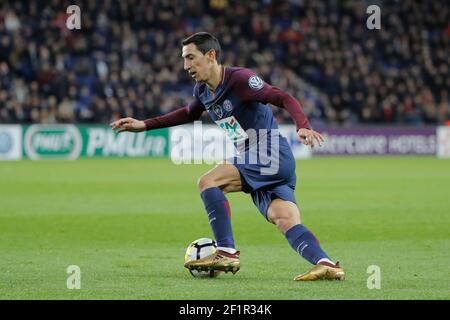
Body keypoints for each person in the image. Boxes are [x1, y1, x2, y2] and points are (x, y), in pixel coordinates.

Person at [110, 32, 345, 281]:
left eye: (190, 58)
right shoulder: (202, 90)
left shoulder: (241, 80)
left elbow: (282, 97)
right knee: (284, 219)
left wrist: (303, 125)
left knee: (207, 181)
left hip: (269, 151)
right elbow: (188, 114)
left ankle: (226, 251)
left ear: (210, 55)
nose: (186, 66)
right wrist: (144, 125)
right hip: (259, 160)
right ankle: (327, 263)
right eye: (184, 59)